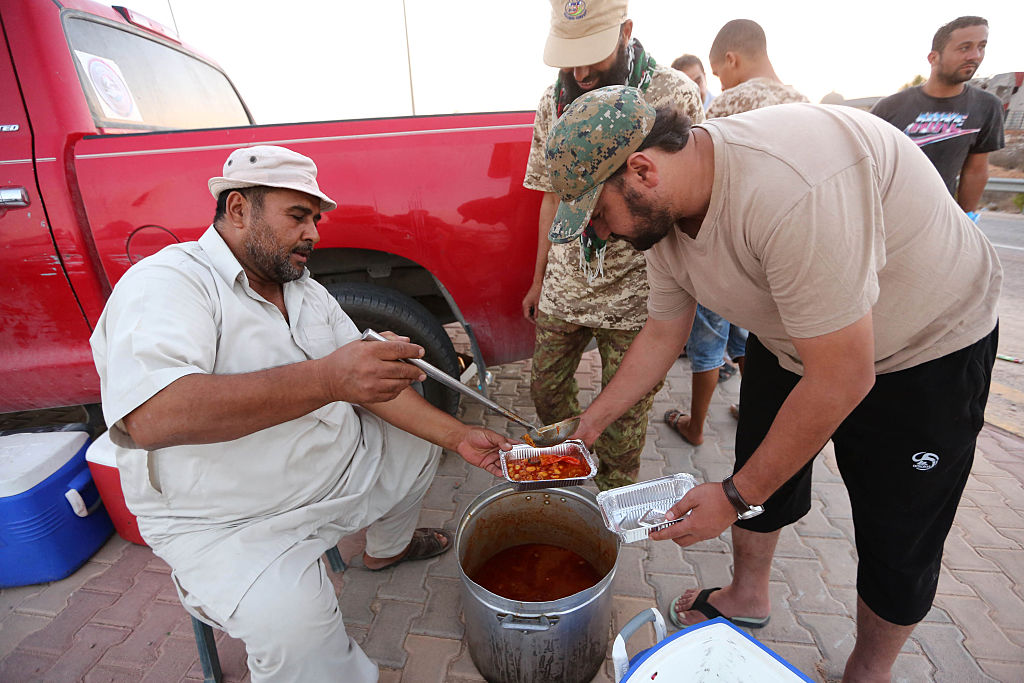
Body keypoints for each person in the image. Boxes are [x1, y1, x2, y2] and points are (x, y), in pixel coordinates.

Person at [545, 87, 1000, 682]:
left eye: (600, 217)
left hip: (923, 347)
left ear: (642, 169)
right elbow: (662, 334)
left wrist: (730, 498)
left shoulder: (790, 190)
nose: (601, 234)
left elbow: (842, 376)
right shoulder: (661, 215)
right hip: (792, 340)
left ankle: (869, 670)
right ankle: (747, 595)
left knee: (899, 528)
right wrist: (591, 424)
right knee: (761, 463)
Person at [90, 145, 511, 682]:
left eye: (316, 218)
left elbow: (365, 387)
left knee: (422, 440)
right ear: (238, 208)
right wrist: (330, 378)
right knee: (302, 646)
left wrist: (458, 438)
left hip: (331, 470)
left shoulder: (305, 289)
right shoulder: (169, 283)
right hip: (228, 521)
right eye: (297, 216)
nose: (313, 232)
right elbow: (153, 416)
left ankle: (386, 550)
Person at [521, 0, 704, 490]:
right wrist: (538, 279)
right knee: (545, 391)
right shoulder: (552, 103)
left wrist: (688, 296)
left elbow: (688, 204)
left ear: (626, 31)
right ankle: (565, 475)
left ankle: (610, 510)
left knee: (624, 423)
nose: (580, 71)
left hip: (639, 298)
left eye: (593, 54)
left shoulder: (674, 94)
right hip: (567, 286)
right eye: (569, 56)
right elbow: (550, 197)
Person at [664, 19, 808, 446]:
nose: (720, 81)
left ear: (731, 58)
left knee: (708, 341)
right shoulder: (805, 105)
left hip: (730, 249)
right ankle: (758, 409)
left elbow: (704, 176)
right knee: (753, 337)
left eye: (718, 71)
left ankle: (696, 426)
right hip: (783, 255)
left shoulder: (729, 105)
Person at [871, 16, 1004, 218]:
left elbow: (976, 170)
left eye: (981, 46)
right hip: (886, 215)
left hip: (940, 219)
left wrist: (966, 217)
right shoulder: (889, 107)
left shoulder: (987, 106)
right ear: (933, 57)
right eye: (964, 48)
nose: (975, 55)